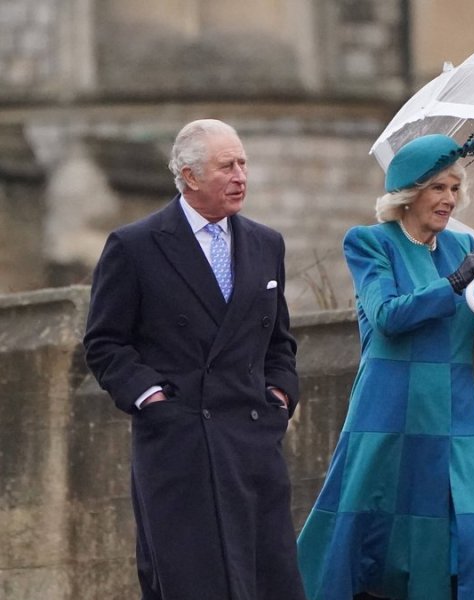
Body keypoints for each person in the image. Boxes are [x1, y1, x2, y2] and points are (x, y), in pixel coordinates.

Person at [297, 134, 474, 600]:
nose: (449, 199)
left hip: (457, 418)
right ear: (409, 193)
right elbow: (388, 316)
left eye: (453, 188)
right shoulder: (370, 243)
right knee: (377, 544)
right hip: (390, 416)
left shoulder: (461, 245)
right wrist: (456, 281)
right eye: (438, 188)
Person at [83, 119, 305, 600]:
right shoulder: (135, 245)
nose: (241, 176)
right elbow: (104, 343)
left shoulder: (267, 243)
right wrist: (153, 399)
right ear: (189, 177)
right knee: (192, 582)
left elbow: (279, 342)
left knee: (268, 580)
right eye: (227, 166)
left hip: (251, 444)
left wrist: (280, 394)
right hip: (179, 445)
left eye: (243, 163)